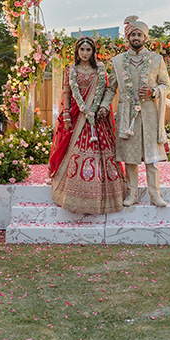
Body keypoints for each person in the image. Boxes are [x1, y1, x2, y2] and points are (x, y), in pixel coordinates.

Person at [49, 36, 125, 213]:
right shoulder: (71, 70)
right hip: (77, 116)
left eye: (88, 50)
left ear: (93, 52)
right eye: (82, 50)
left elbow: (106, 91)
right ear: (77, 51)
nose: (84, 53)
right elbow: (66, 94)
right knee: (74, 153)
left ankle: (104, 197)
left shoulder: (99, 70)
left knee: (103, 155)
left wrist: (101, 109)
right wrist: (67, 116)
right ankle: (75, 196)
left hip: (97, 119)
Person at [101, 16, 170, 208]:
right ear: (128, 37)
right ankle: (131, 194)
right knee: (130, 158)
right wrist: (105, 105)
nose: (136, 37)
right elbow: (110, 88)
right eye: (133, 34)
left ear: (145, 38)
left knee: (152, 157)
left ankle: (155, 195)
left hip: (149, 113)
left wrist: (154, 91)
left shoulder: (157, 59)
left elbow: (166, 85)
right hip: (127, 114)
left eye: (139, 34)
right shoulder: (117, 61)